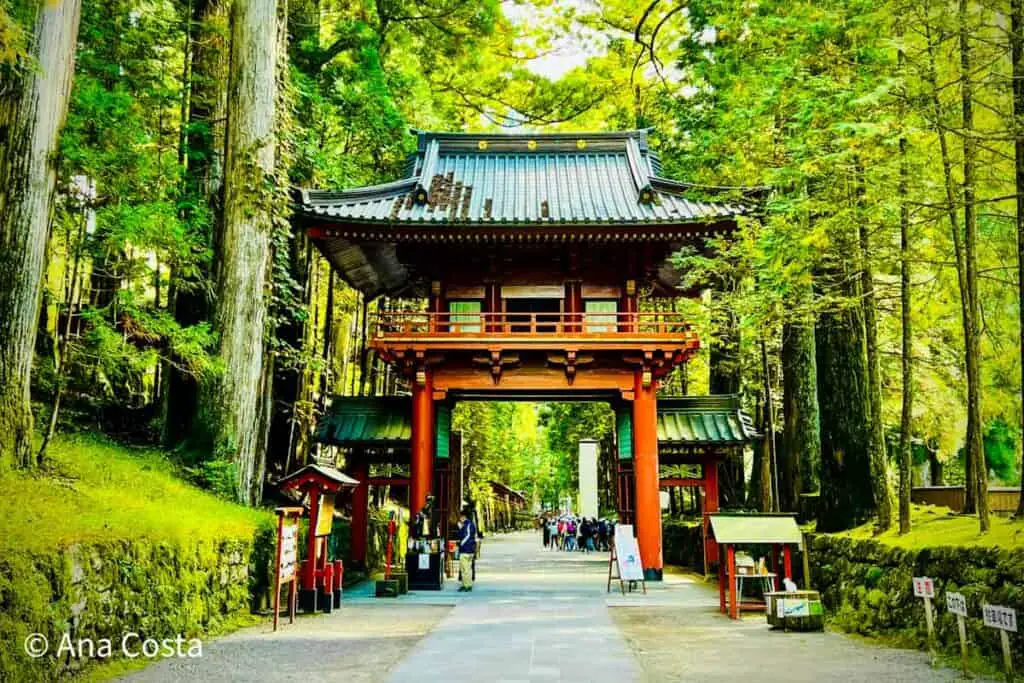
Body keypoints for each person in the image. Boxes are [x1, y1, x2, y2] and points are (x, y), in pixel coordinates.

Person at [457, 507, 478, 592]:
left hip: (465, 550)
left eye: (460, 518)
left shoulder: (466, 525)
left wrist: (461, 544)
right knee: (468, 568)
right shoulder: (471, 524)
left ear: (463, 517)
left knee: (464, 568)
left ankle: (466, 585)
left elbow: (466, 536)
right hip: (471, 550)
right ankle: (468, 584)